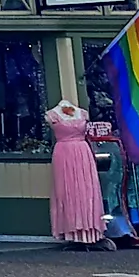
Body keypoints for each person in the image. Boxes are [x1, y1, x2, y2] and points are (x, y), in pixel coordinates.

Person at [46, 98, 109, 249]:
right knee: (67, 191)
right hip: (64, 154)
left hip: (82, 152)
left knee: (87, 190)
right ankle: (72, 231)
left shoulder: (82, 113)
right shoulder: (51, 115)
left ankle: (90, 230)